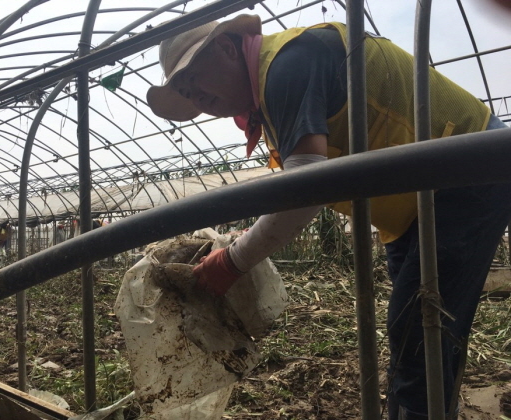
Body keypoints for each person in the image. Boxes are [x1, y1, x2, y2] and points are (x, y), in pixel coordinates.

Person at [146, 14, 511, 419]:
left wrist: (232, 262)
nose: (192, 93)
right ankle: (436, 406)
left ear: (228, 48)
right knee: (424, 331)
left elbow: (306, 186)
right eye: (182, 87)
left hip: (465, 170)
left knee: (416, 328)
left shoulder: (287, 64)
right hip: (412, 204)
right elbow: (302, 187)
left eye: (193, 75)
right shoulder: (269, 94)